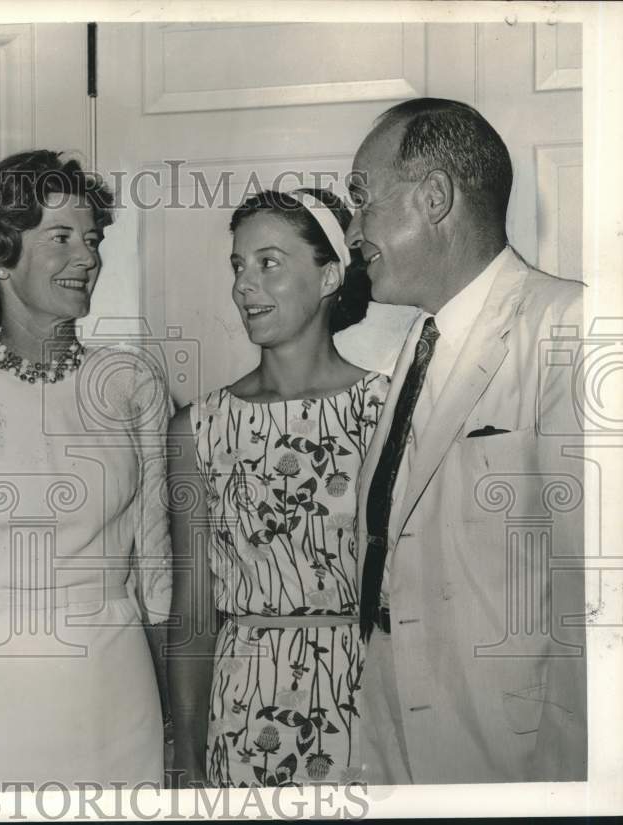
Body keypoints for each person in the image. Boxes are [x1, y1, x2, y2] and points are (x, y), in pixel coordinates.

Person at [0, 149, 172, 787]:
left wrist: (175, 711)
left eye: (93, 238)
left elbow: (157, 562)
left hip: (119, 681)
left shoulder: (133, 381)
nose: (88, 257)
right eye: (60, 238)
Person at [345, 97, 586, 783]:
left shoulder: (569, 327)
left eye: (363, 201)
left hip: (510, 757)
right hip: (394, 747)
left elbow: (598, 606)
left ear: (435, 196)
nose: (353, 230)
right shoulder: (416, 349)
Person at [168, 188, 390, 787]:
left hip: (368, 699)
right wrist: (185, 756)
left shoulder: (390, 408)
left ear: (329, 277)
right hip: (243, 712)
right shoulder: (199, 428)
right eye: (238, 266)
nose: (243, 285)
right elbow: (191, 608)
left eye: (268, 263)